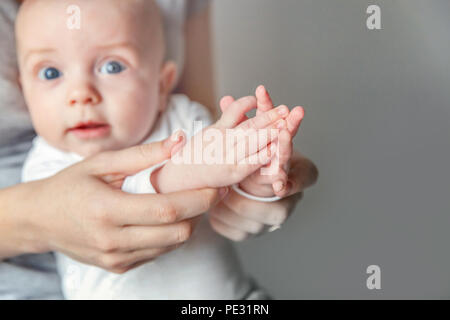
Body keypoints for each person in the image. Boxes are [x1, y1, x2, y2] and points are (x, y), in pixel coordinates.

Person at [0, 0, 318, 299]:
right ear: (24, 90)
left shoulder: (184, 118)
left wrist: (262, 171)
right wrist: (194, 168)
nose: (80, 94)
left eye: (111, 67)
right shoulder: (46, 163)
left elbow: (231, 185)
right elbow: (123, 206)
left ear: (162, 83)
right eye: (51, 73)